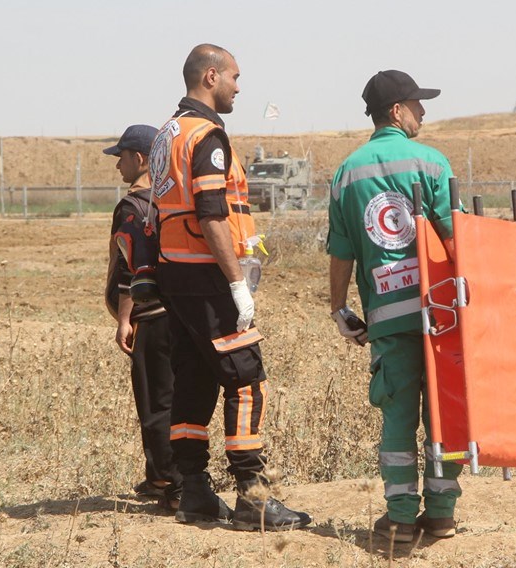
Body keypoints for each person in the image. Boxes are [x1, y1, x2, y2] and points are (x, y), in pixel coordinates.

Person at [149, 43, 310, 531]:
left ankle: (195, 492)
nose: (239, 87)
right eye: (235, 77)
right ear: (211, 76)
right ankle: (253, 496)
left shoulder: (167, 133)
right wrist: (237, 282)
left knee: (194, 381)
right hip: (208, 276)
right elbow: (211, 213)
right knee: (246, 378)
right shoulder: (207, 135)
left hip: (175, 275)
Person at [327, 69, 463, 543]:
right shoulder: (432, 163)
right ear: (397, 111)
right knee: (445, 412)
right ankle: (441, 513)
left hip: (388, 319)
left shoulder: (347, 172)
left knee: (399, 418)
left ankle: (401, 518)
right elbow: (455, 237)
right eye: (417, 105)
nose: (423, 112)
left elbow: (341, 249)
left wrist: (339, 307)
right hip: (443, 316)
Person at [103, 124, 182, 509]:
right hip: (180, 313)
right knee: (177, 396)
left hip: (150, 315)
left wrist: (124, 319)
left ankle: (171, 482)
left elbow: (129, 267)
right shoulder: (172, 198)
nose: (118, 164)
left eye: (121, 157)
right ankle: (162, 475)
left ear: (139, 158)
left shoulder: (131, 205)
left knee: (154, 402)